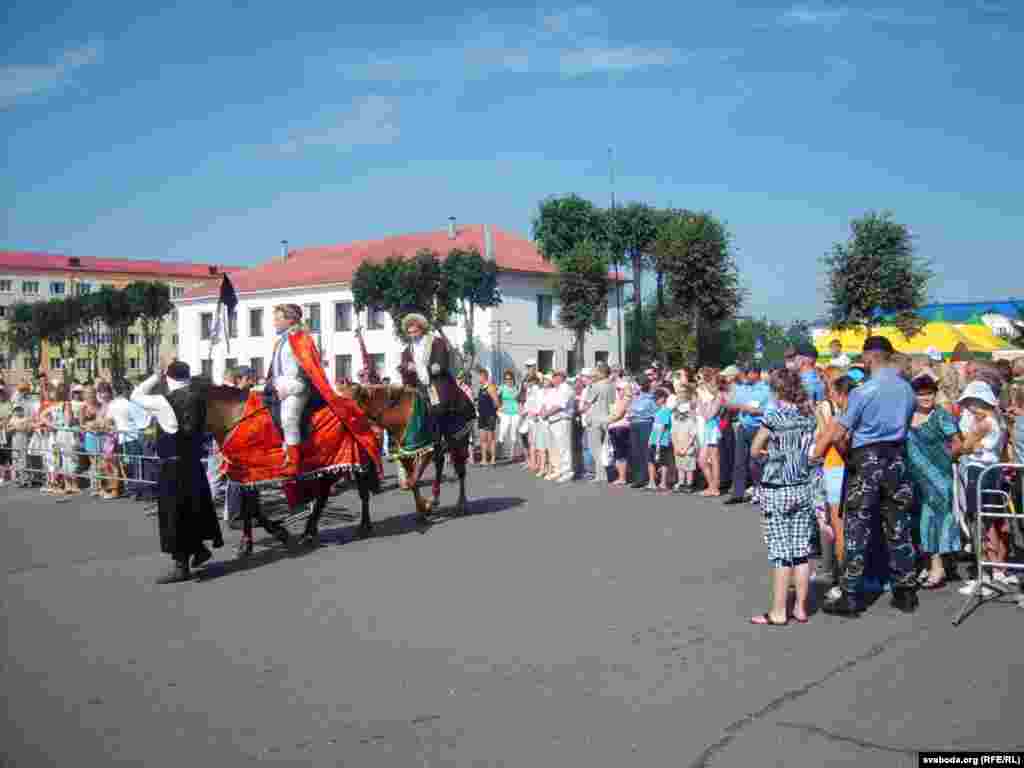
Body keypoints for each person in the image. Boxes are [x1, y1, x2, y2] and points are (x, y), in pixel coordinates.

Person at [812, 336, 918, 616]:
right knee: (898, 524)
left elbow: (839, 433)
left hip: (866, 459)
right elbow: (906, 426)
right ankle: (905, 591)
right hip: (896, 457)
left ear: (869, 357)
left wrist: (847, 453)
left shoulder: (863, 391)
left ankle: (850, 594)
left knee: (857, 527)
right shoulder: (907, 390)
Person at [132, 360, 223, 583]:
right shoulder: (199, 398)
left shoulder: (165, 401)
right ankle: (199, 549)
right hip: (193, 462)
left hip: (173, 465)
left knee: (174, 514)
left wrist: (155, 377)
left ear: (168, 377)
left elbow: (136, 395)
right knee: (193, 508)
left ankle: (181, 566)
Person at [749, 368, 818, 626]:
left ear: (777, 391)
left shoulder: (774, 416)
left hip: (778, 486)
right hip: (802, 484)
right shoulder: (807, 416)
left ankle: (778, 611)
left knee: (780, 552)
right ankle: (800, 606)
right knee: (801, 550)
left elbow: (755, 449)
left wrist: (771, 453)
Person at [906, 373, 961, 589]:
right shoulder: (906, 415)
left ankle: (938, 567)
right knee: (919, 522)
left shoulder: (941, 415)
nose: (926, 398)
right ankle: (928, 564)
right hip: (913, 478)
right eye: (921, 394)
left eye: (929, 393)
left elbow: (957, 443)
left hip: (938, 478)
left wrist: (945, 460)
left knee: (933, 521)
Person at [955, 380, 1011, 595]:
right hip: (992, 470)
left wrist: (970, 443)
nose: (969, 407)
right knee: (989, 521)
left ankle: (985, 574)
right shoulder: (998, 420)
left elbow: (965, 446)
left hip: (979, 473)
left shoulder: (983, 423)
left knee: (979, 521)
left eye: (971, 402)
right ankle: (996, 570)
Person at [397, 313, 467, 465]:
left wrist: (427, 368)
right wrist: (406, 367)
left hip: (435, 382)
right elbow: (403, 365)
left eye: (415, 331)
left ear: (421, 329)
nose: (412, 335)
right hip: (417, 384)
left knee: (438, 406)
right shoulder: (407, 349)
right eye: (409, 332)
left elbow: (440, 364)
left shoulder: (436, 342)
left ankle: (444, 437)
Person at [264, 304, 324, 478]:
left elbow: (305, 370)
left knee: (288, 418)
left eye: (278, 319)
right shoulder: (282, 340)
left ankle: (294, 462)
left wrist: (288, 388)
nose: (274, 322)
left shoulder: (301, 338)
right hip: (281, 384)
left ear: (290, 320)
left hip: (298, 386)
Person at [724, 366, 774, 505]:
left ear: (756, 374)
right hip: (743, 426)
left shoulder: (766, 389)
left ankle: (762, 491)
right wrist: (739, 406)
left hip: (759, 428)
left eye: (748, 373)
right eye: (744, 373)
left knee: (757, 462)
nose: (745, 376)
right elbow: (729, 404)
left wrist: (756, 411)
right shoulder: (742, 388)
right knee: (739, 461)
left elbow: (771, 410)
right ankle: (737, 493)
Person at [581, 362, 613, 484]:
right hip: (607, 418)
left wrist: (581, 409)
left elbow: (587, 404)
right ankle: (605, 473)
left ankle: (601, 475)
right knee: (604, 448)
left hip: (595, 419)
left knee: (595, 449)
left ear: (601, 373)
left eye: (596, 371)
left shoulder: (595, 386)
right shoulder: (611, 385)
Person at [646, 388, 674, 492]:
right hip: (654, 439)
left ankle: (663, 483)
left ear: (662, 399)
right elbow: (655, 427)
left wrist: (657, 442)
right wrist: (650, 439)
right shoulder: (658, 411)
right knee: (650, 461)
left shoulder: (666, 411)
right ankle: (652, 482)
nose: (655, 401)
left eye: (656, 399)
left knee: (663, 462)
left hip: (662, 441)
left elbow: (663, 427)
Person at [671, 386, 698, 493]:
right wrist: (676, 445)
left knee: (689, 465)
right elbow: (673, 430)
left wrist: (686, 446)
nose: (681, 394)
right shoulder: (674, 410)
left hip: (688, 440)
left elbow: (693, 431)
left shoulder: (691, 408)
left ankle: (689, 484)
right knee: (680, 465)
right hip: (678, 440)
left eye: (683, 392)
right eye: (679, 392)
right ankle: (681, 482)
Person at [476, 368, 499, 466]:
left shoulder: (490, 387)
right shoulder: (481, 388)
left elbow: (497, 402)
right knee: (482, 439)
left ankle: (493, 459)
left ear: (484, 376)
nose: (478, 378)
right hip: (481, 416)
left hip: (490, 416)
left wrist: (493, 412)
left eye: (479, 376)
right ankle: (484, 459)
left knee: (491, 438)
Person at [496, 370, 521, 461]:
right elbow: (495, 396)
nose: (508, 380)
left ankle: (512, 454)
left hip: (515, 413)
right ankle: (499, 453)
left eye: (510, 379)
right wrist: (498, 407)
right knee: (502, 432)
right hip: (505, 413)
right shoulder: (502, 387)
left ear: (512, 379)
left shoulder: (516, 388)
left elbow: (519, 399)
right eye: (506, 379)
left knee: (513, 434)